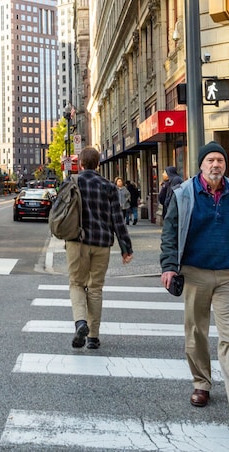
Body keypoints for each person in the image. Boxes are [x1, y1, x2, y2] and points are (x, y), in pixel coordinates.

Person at [160, 142, 229, 428]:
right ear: (201, 165)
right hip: (195, 271)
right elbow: (170, 231)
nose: (215, 165)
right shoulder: (183, 193)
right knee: (196, 331)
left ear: (225, 165)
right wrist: (169, 267)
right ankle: (202, 383)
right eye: (210, 160)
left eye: (220, 161)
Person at [66, 147, 133, 350]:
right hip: (102, 244)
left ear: (81, 164)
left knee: (77, 284)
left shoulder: (71, 183)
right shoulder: (109, 187)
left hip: (77, 242)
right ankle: (93, 337)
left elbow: (60, 210)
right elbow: (117, 220)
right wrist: (126, 247)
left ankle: (80, 322)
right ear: (98, 164)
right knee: (95, 288)